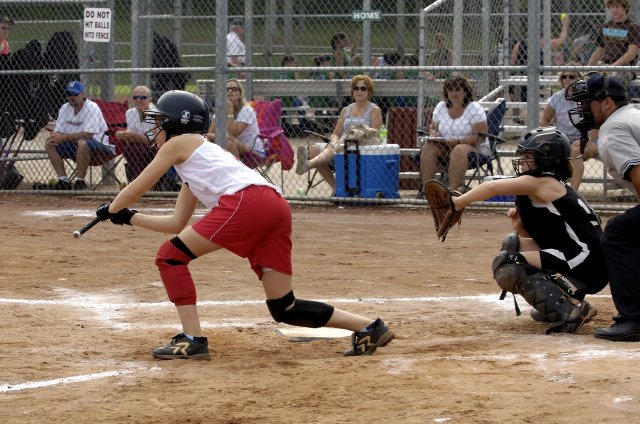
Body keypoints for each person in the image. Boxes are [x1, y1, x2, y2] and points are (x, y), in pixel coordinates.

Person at [94, 90, 395, 359]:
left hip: (248, 202)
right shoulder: (198, 161)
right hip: (273, 206)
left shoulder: (180, 142)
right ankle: (369, 327)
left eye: (160, 121)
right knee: (284, 307)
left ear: (177, 123)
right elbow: (176, 223)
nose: (154, 128)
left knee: (169, 257)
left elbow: (135, 189)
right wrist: (128, 217)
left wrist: (112, 206)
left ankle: (192, 339)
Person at [448, 127, 608, 334]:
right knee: (513, 243)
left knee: (507, 264)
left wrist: (458, 202)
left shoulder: (542, 182)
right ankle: (561, 300)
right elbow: (536, 236)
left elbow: (492, 188)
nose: (522, 160)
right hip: (580, 255)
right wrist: (518, 224)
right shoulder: (541, 186)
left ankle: (571, 309)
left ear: (546, 159)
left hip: (587, 261)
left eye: (529, 155)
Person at [566, 72, 640, 341]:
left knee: (618, 234)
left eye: (587, 102)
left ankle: (635, 319)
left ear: (607, 103)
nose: (582, 109)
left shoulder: (613, 130)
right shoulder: (632, 115)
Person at [295, 74, 383, 193]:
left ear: (369, 91)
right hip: (341, 144)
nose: (359, 91)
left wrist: (348, 138)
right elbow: (336, 133)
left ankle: (308, 164)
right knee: (313, 149)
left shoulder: (374, 110)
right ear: (352, 91)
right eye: (356, 88)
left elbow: (374, 134)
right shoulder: (346, 110)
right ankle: (336, 188)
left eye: (363, 88)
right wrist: (335, 139)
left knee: (339, 145)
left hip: (361, 144)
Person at [34, 80, 110, 190]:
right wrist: (56, 136)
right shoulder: (65, 108)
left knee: (82, 143)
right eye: (69, 94)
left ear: (83, 94)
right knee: (50, 143)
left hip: (98, 144)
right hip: (73, 143)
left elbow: (88, 135)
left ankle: (80, 182)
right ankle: (63, 181)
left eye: (75, 94)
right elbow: (59, 132)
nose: (71, 97)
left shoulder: (92, 107)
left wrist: (63, 137)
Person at [419, 74, 488, 192]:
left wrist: (458, 141)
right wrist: (434, 133)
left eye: (457, 89)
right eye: (450, 90)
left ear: (465, 91)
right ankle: (428, 190)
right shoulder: (441, 106)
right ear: (446, 93)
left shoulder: (474, 108)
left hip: (474, 149)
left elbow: (481, 137)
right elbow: (432, 128)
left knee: (459, 149)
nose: (454, 93)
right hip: (445, 146)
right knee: (428, 147)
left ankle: (451, 192)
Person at [539, 67, 598, 190]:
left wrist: (587, 139)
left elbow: (598, 123)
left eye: (571, 76)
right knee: (544, 150)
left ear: (579, 79)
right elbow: (545, 119)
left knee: (575, 151)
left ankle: (573, 193)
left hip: (589, 140)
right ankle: (553, 191)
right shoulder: (557, 97)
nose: (567, 79)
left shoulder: (587, 97)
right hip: (565, 140)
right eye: (564, 77)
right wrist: (548, 137)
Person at [115, 85, 179, 191]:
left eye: (143, 97)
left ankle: (146, 185)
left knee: (138, 149)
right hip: (136, 146)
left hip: (155, 147)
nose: (139, 100)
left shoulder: (155, 113)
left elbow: (153, 140)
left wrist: (133, 136)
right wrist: (123, 135)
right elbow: (133, 136)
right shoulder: (130, 113)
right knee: (130, 148)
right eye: (135, 97)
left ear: (150, 99)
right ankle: (140, 183)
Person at [511, 13, 570, 123]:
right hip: (537, 78)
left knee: (528, 103)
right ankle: (536, 124)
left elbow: (513, 61)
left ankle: (531, 124)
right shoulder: (540, 42)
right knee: (536, 104)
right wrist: (565, 26)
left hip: (527, 78)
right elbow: (560, 41)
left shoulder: (519, 44)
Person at [206, 78, 265, 168]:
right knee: (218, 142)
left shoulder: (247, 110)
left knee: (230, 143)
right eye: (226, 89)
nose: (230, 91)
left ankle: (237, 172)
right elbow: (209, 133)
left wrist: (229, 111)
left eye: (234, 89)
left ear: (240, 94)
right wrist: (219, 137)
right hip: (230, 145)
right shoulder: (220, 111)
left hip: (253, 151)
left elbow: (233, 133)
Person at [587, 0, 640, 90]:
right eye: (611, 7)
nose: (614, 10)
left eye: (617, 7)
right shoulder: (605, 26)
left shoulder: (633, 27)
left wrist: (612, 67)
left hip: (624, 67)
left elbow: (631, 54)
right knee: (588, 81)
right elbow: (599, 52)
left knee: (612, 81)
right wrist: (587, 70)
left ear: (625, 8)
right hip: (605, 64)